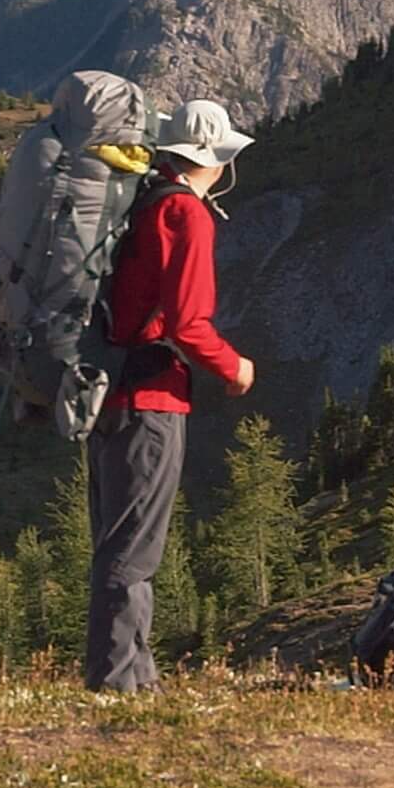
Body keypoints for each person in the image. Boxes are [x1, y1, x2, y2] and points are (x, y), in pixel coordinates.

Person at [84, 98, 256, 693]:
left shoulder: (136, 202)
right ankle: (116, 687)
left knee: (116, 542)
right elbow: (189, 323)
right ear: (215, 160)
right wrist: (234, 368)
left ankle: (137, 678)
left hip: (105, 391)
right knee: (134, 551)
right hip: (152, 397)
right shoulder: (186, 214)